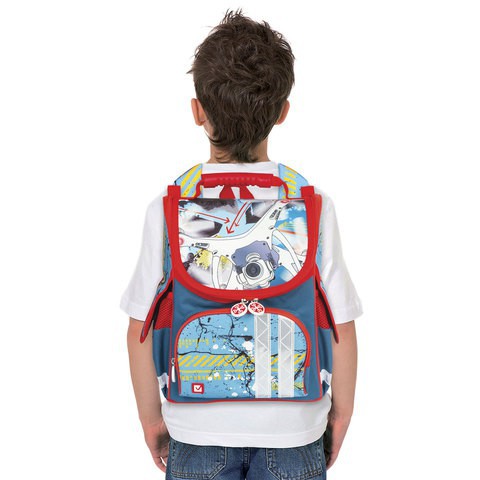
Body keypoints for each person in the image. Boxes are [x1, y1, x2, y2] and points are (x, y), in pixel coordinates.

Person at [121, 9, 363, 479]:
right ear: (283, 111)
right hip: (295, 426)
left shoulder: (169, 207)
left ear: (198, 111)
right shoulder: (311, 204)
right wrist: (341, 413)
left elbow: (139, 330)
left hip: (196, 425)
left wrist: (151, 420)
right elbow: (343, 326)